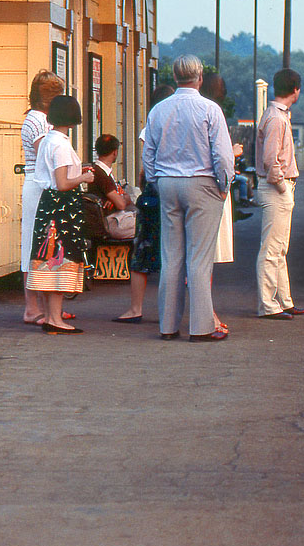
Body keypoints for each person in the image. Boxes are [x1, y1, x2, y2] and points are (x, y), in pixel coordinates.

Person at [142, 56, 234, 342]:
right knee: (199, 258)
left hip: (168, 183)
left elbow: (149, 154)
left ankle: (168, 326)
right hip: (202, 182)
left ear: (175, 76)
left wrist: (157, 181)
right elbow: (222, 154)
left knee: (171, 257)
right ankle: (201, 327)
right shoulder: (210, 109)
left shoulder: (159, 110)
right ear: (200, 77)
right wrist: (224, 184)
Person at [26, 95, 94, 333]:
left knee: (47, 259)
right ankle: (56, 318)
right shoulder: (62, 144)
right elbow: (63, 183)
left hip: (47, 205)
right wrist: (84, 177)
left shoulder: (47, 140)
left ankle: (49, 316)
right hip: (62, 208)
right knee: (60, 259)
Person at [113, 85, 173, 324]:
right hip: (177, 191)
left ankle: (135, 308)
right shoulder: (181, 126)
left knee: (142, 252)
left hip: (153, 192)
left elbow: (146, 163)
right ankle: (170, 310)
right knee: (175, 254)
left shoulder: (149, 128)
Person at [255, 68, 304, 320]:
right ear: (295, 89)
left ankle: (284, 301)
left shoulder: (277, 115)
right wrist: (284, 188)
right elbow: (270, 161)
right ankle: (268, 305)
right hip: (277, 188)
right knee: (271, 249)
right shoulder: (276, 118)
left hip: (279, 188)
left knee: (279, 249)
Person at [20, 70, 69, 325]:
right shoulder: (39, 121)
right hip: (39, 185)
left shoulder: (35, 118)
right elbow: (45, 156)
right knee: (35, 243)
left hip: (39, 183)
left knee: (40, 242)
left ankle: (43, 306)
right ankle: (33, 307)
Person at [90, 134, 135, 239]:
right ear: (115, 152)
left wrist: (117, 198)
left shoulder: (99, 171)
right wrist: (123, 198)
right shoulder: (102, 175)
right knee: (146, 223)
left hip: (112, 218)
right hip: (112, 222)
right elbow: (121, 204)